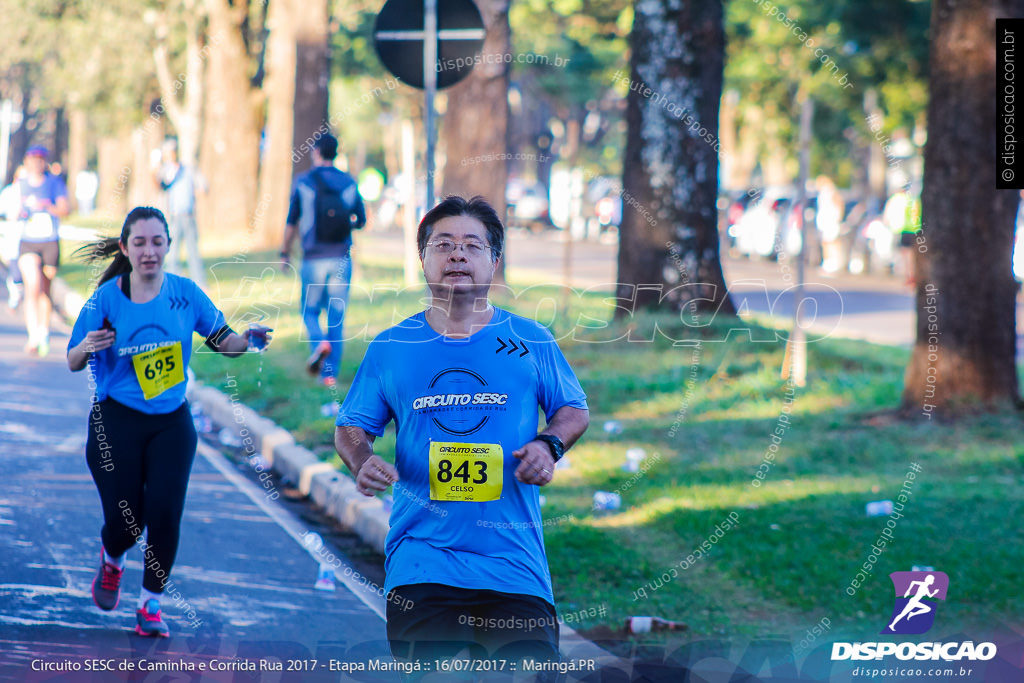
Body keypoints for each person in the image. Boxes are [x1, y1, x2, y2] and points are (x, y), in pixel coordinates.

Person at [334, 196, 589, 675]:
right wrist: (361, 459)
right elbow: (351, 426)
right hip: (422, 561)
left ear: (494, 261)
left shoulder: (531, 340)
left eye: (472, 245)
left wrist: (548, 444)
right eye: (443, 244)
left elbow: (573, 409)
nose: (457, 255)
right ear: (423, 260)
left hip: (514, 565)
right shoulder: (391, 347)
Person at [66, 206, 271, 637]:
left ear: (168, 246)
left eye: (157, 242)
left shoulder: (185, 294)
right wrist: (87, 343)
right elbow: (72, 360)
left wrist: (248, 340)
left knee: (164, 511)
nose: (148, 251)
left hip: (170, 422)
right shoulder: (105, 299)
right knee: (126, 523)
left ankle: (150, 604)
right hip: (115, 421)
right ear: (125, 247)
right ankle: (113, 558)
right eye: (139, 243)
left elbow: (224, 341)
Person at [281, 132, 365, 388]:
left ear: (316, 152)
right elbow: (360, 221)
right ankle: (329, 376)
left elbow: (291, 221)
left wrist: (284, 252)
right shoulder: (349, 183)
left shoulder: (303, 182)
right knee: (336, 316)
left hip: (313, 258)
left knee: (309, 311)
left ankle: (319, 344)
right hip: (341, 258)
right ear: (336, 153)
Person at [16, 146, 68, 356]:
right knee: (33, 286)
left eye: (40, 159)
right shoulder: (20, 183)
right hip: (28, 240)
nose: (36, 163)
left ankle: (43, 330)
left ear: (44, 162)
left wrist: (47, 206)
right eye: (32, 159)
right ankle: (32, 335)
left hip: (49, 240)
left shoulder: (54, 183)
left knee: (45, 289)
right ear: (27, 161)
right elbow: (10, 209)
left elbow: (65, 210)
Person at [156, 138, 206, 288]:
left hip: (188, 215)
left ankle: (200, 282)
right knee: (172, 252)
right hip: (173, 216)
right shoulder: (165, 171)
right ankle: (172, 282)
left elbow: (203, 187)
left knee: (193, 251)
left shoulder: (188, 169)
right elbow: (159, 184)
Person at [884, 185, 922, 286]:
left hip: (902, 229)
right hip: (914, 228)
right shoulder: (914, 199)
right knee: (912, 254)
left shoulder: (896, 198)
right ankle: (912, 274)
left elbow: (888, 214)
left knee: (906, 253)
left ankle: (909, 275)